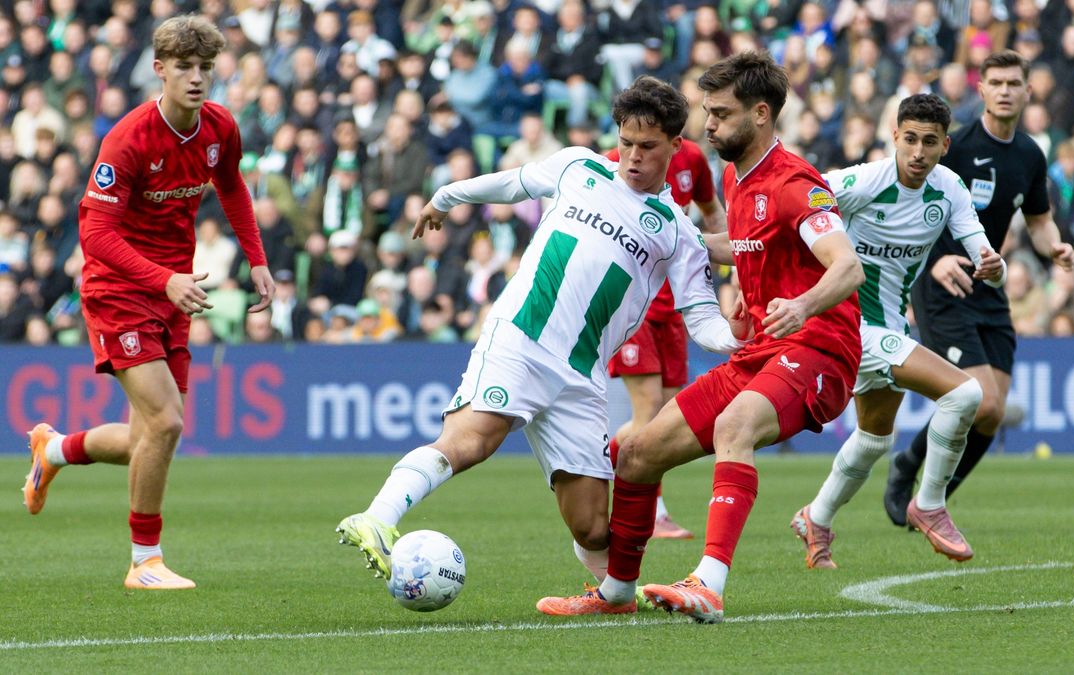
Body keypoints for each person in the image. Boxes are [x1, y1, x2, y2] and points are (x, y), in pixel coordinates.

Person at [335, 77, 749, 592]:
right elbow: (511, 184)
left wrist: (734, 339)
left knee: (594, 527)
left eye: (647, 147)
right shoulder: (580, 166)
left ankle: (612, 597)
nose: (633, 156)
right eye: (625, 143)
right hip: (521, 340)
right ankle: (376, 518)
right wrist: (446, 195)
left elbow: (700, 315)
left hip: (580, 377)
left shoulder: (677, 232)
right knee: (472, 441)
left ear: (674, 146)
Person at [537, 51, 864, 622]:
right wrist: (670, 236)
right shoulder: (740, 177)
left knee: (734, 425)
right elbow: (740, 247)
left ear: (761, 114)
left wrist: (803, 304)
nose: (706, 125)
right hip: (763, 350)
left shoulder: (795, 182)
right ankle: (615, 594)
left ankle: (708, 584)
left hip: (818, 347)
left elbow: (848, 266)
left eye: (719, 113)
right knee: (634, 452)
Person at [20, 15, 275, 590]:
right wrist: (163, 280)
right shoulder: (128, 139)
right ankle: (144, 561)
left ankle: (54, 449)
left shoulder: (219, 127)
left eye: (206, 68)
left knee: (148, 436)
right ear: (159, 70)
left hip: (171, 290)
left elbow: (231, 185)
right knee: (166, 421)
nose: (197, 78)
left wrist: (256, 257)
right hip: (120, 288)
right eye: (184, 67)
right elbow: (96, 237)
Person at [792, 94, 1005, 570]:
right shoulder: (864, 179)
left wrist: (995, 266)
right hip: (846, 322)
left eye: (930, 142)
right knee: (966, 395)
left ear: (945, 145)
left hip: (887, 324)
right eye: (909, 139)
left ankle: (816, 517)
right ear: (894, 137)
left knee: (873, 439)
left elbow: (984, 252)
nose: (918, 152)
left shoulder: (949, 190)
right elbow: (800, 203)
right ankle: (929, 503)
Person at [884, 50, 1073, 525]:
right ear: (982, 89)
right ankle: (908, 468)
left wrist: (1056, 249)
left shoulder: (1030, 153)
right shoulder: (957, 145)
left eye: (1015, 82)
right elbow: (911, 208)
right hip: (940, 282)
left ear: (1029, 91)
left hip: (988, 281)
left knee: (992, 411)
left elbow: (1039, 220)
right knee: (980, 399)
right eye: (996, 82)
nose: (1006, 90)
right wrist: (932, 260)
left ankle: (936, 497)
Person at [603, 137, 727, 540]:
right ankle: (653, 514)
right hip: (632, 303)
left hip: (675, 306)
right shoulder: (614, 161)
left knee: (667, 414)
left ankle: (598, 459)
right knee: (650, 411)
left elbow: (712, 213)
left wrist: (735, 263)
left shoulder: (691, 158)